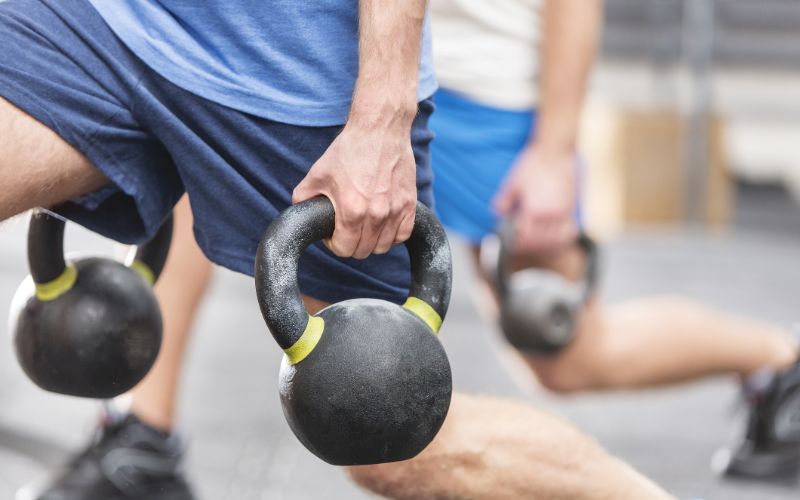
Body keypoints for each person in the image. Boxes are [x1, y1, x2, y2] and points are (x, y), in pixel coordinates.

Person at [3, 1, 679, 499]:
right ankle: (142, 444)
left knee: (391, 441)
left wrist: (382, 117)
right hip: (97, 21)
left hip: (287, 60)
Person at [427, 0, 800, 480]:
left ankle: (779, 356)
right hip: (354, 75)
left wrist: (553, 153)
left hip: (483, 93)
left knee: (566, 353)